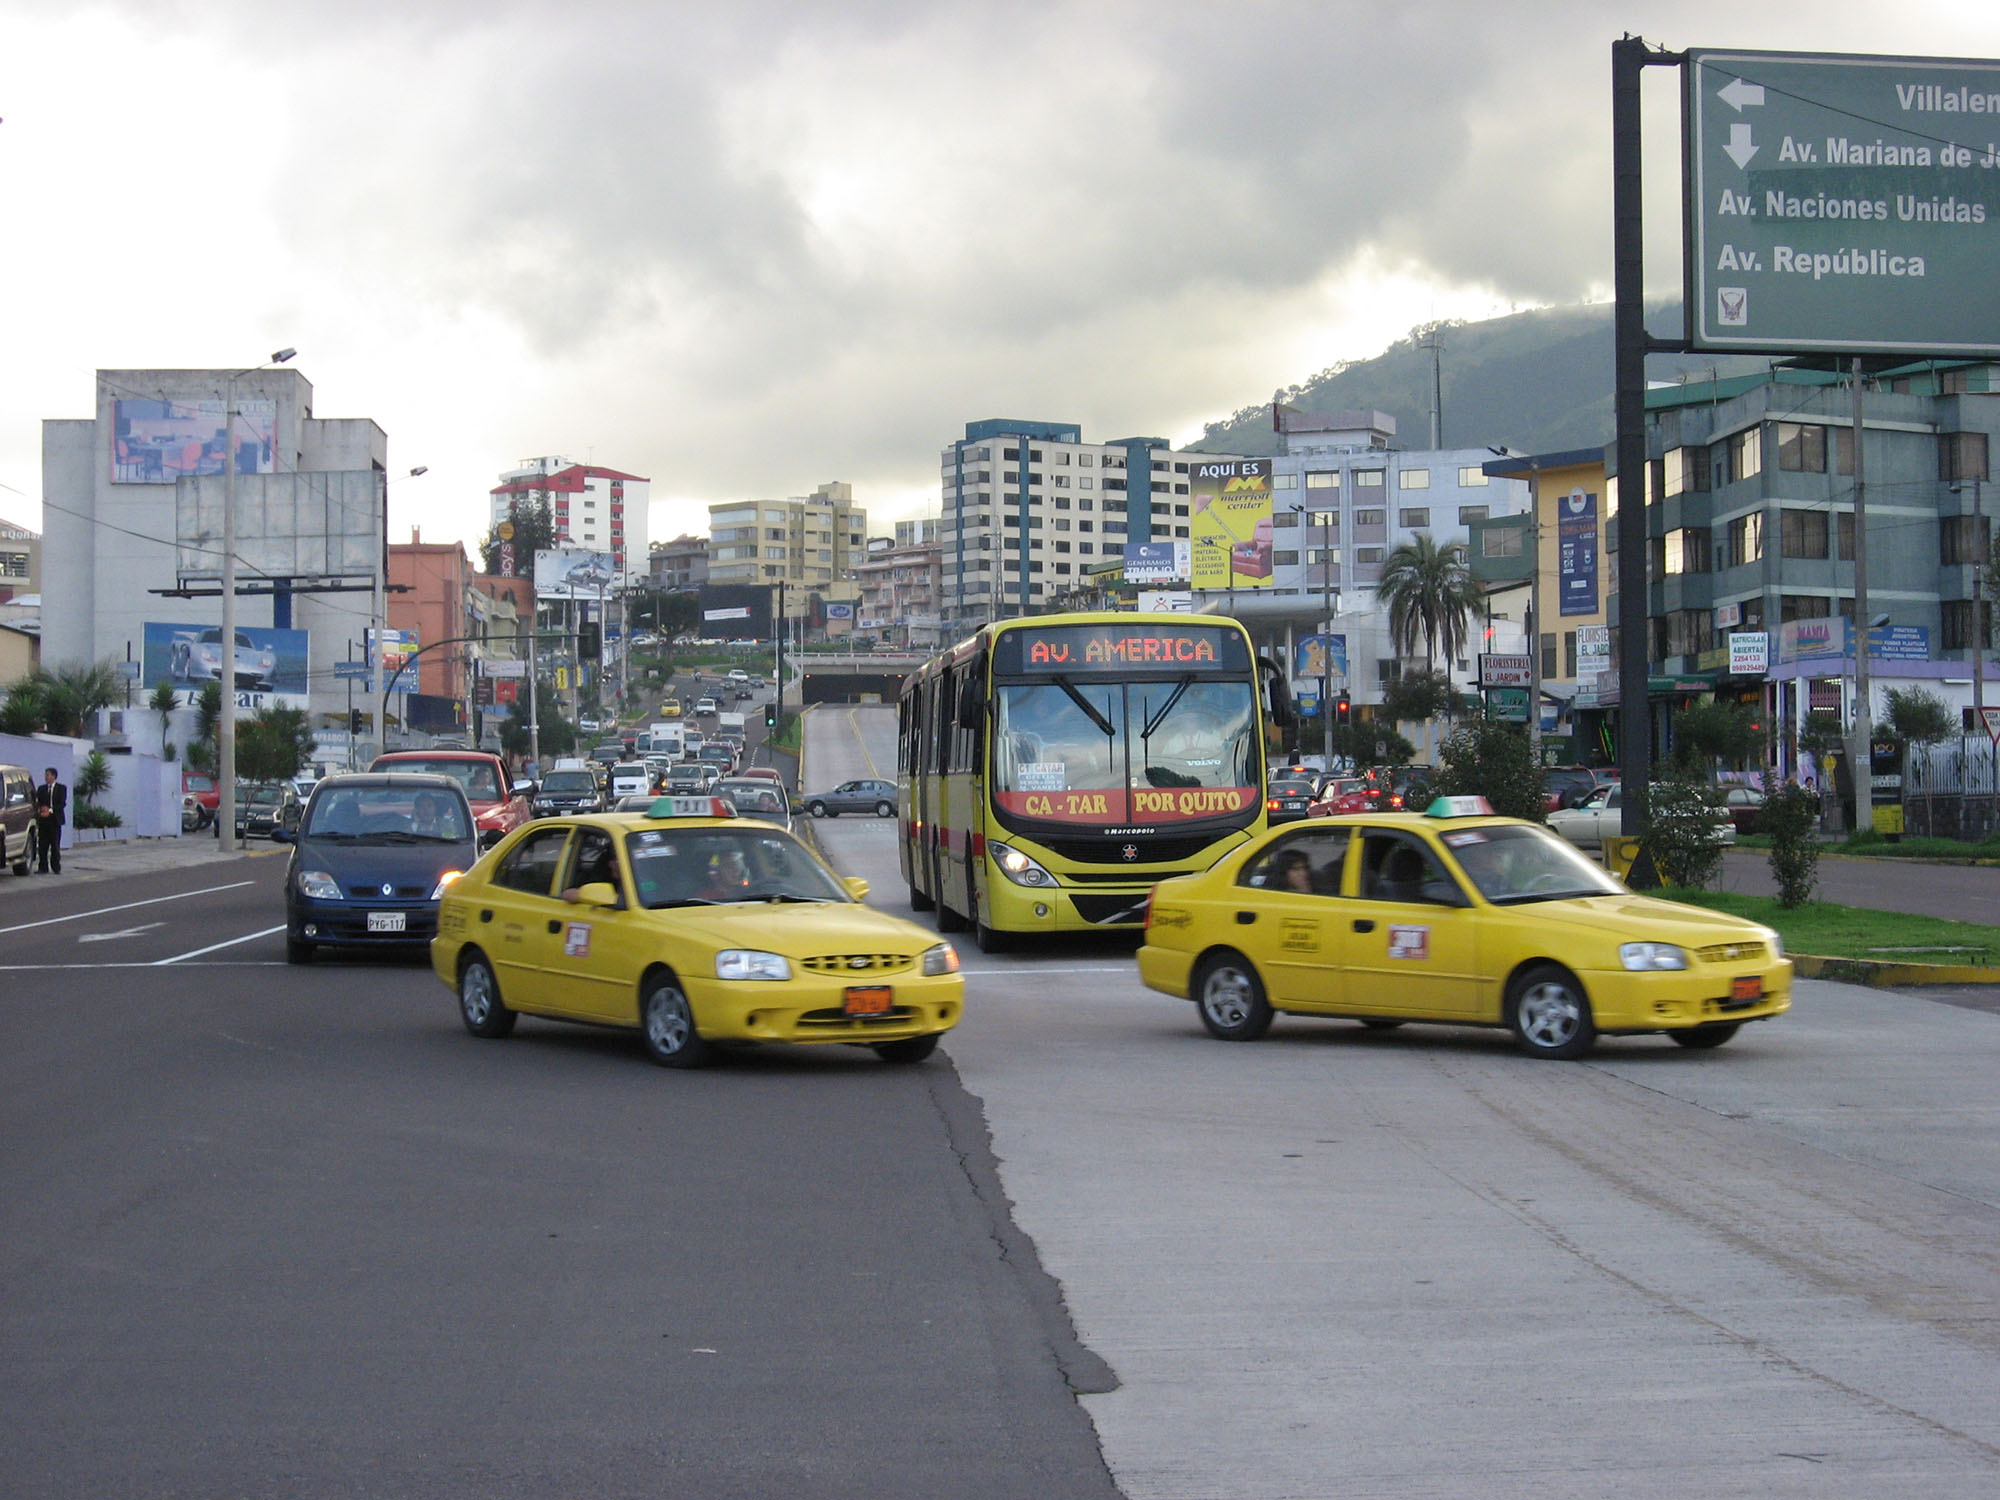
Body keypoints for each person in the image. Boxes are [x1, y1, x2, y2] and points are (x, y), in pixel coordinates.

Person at [34, 766, 66, 874]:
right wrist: (41, 810)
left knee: (55, 845)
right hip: (43, 821)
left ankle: (56, 867)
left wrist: (50, 810)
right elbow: (38, 802)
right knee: (43, 845)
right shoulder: (41, 789)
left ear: (53, 776)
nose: (46, 777)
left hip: (55, 820)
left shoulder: (61, 788)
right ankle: (43, 867)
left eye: (48, 775)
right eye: (45, 775)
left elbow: (62, 804)